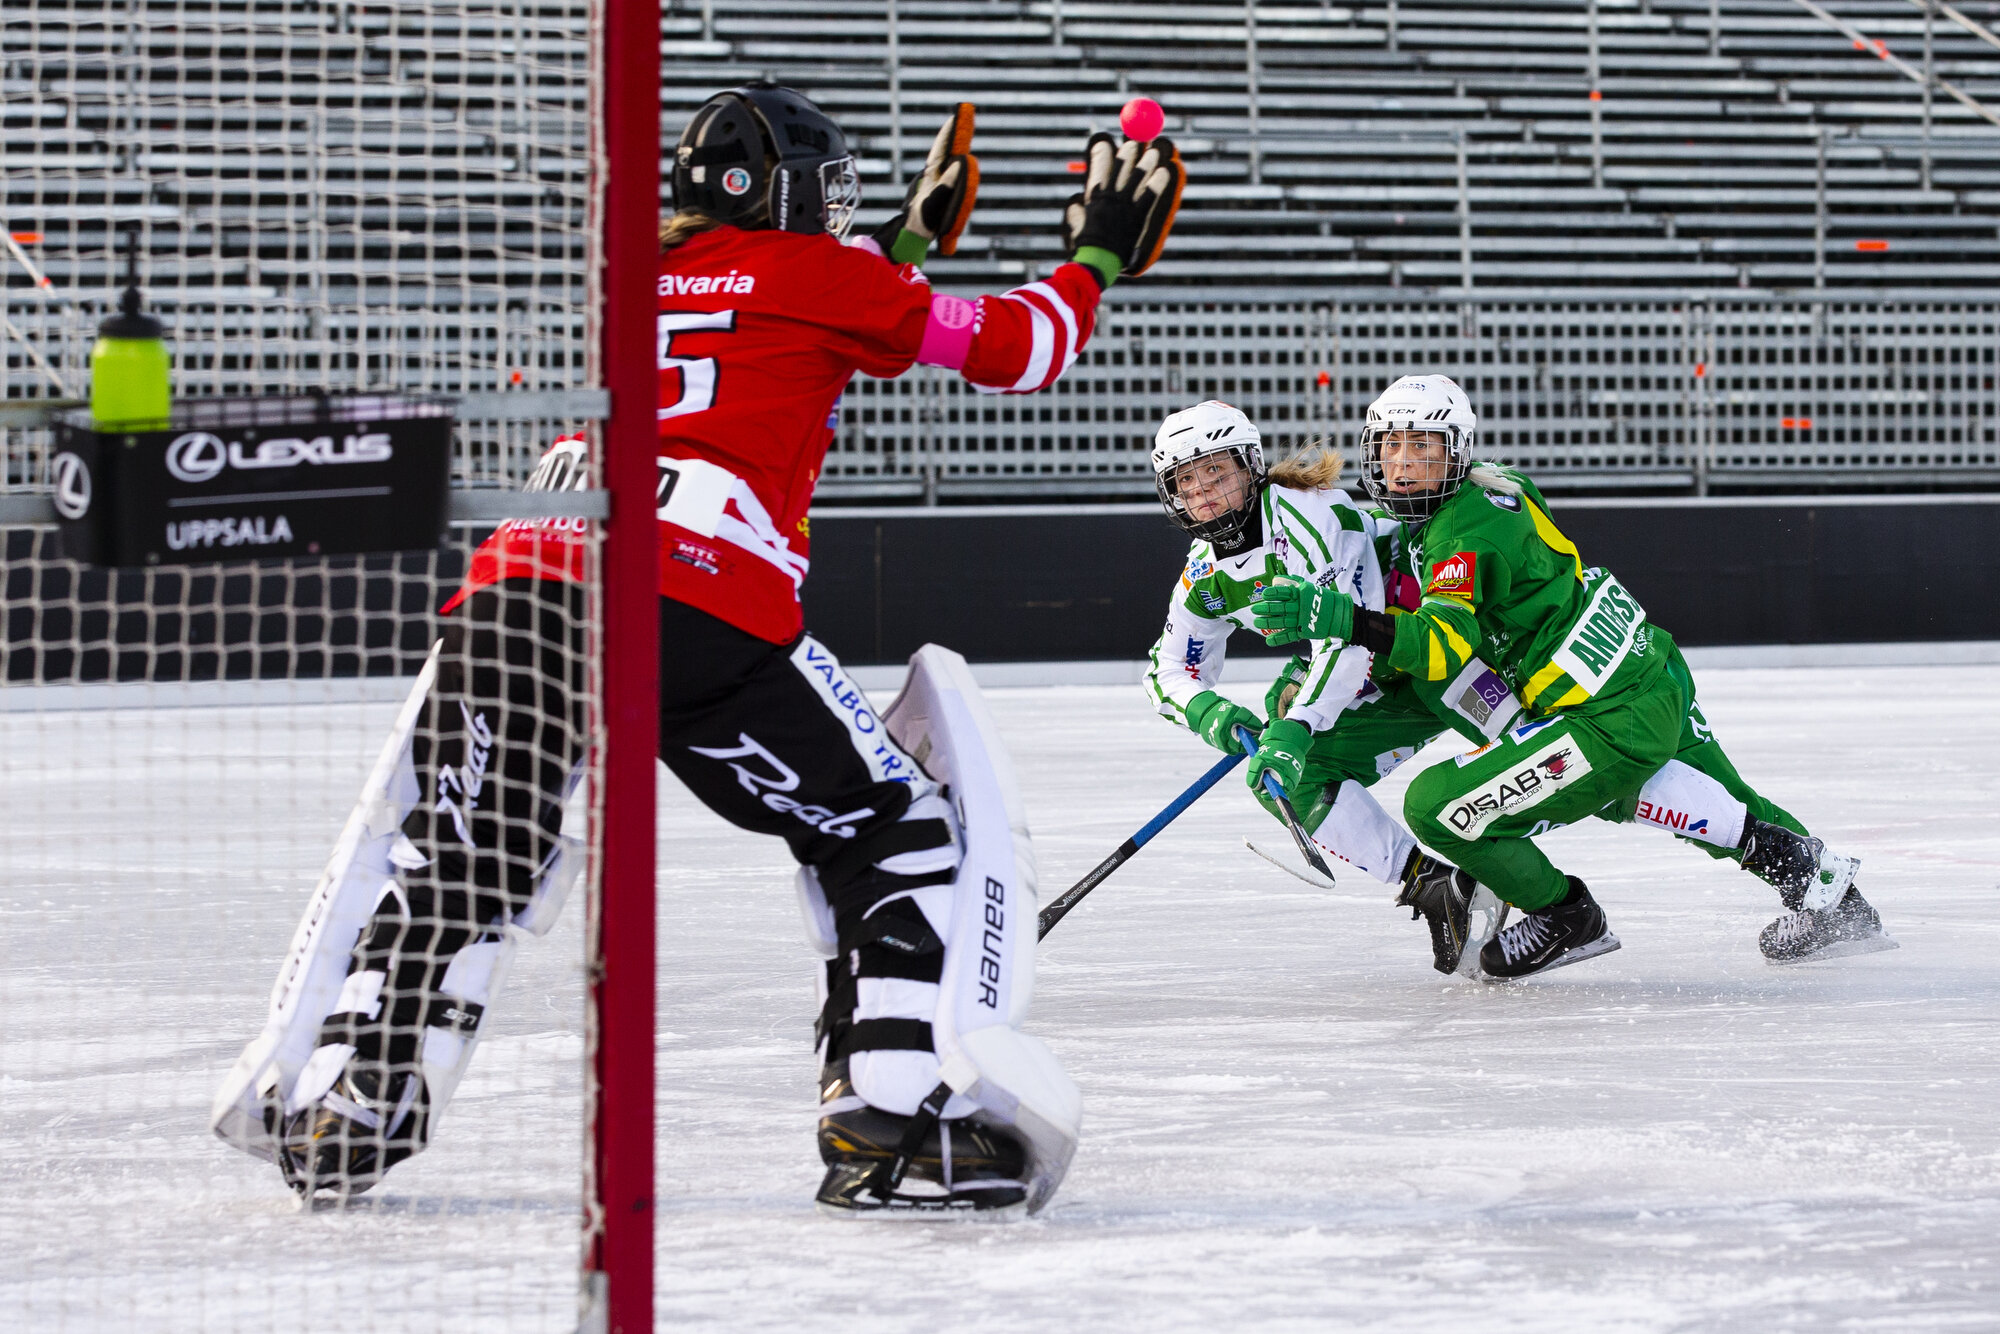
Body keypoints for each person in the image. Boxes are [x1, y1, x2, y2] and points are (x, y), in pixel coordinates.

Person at [248, 85, 1188, 1211]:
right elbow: (1017, 346)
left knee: (473, 848)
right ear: (783, 188)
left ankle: (351, 1103)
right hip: (691, 590)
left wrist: (902, 246)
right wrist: (1094, 253)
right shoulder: (821, 276)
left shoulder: (636, 283)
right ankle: (889, 1123)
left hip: (521, 577)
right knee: (892, 833)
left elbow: (773, 320)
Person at [1249, 374, 1895, 977]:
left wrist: (1341, 618)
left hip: (1601, 711)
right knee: (1728, 809)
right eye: (1392, 446)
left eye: (1423, 448)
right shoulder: (1498, 484)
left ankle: (1565, 914)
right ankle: (1836, 898)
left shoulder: (1456, 530)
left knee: (1436, 806)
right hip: (1644, 664)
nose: (1401, 464)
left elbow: (1445, 644)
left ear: (1456, 453)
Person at [1141, 400, 1516, 975]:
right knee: (1284, 784)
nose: (1204, 491)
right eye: (1186, 480)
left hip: (1459, 653)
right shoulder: (1205, 576)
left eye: (1217, 471)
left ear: (1250, 468)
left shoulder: (1304, 514)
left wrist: (1293, 721)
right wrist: (1216, 715)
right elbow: (1167, 672)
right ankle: (1435, 886)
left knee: (1562, 755)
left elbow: (1349, 637)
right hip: (1389, 678)